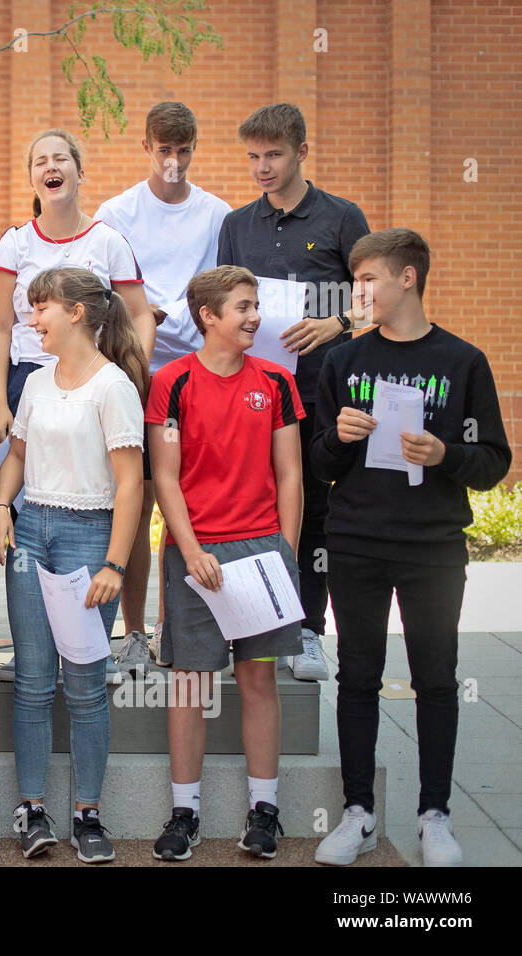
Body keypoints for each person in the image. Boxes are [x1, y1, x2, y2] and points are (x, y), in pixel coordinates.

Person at [311, 229, 511, 867]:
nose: (359, 291)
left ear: (407, 278)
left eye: (369, 279)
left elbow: (494, 463)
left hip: (432, 544)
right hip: (356, 539)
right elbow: (318, 466)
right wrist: (339, 437)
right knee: (358, 677)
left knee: (435, 679)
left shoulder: (462, 362)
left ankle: (435, 816)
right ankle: (358, 813)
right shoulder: (344, 362)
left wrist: (445, 453)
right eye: (355, 280)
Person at [146, 266, 305, 862]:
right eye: (242, 306)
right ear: (207, 317)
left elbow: (289, 473)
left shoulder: (279, 382)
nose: (254, 316)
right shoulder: (172, 382)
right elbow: (165, 475)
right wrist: (190, 552)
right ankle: (183, 814)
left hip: (260, 553)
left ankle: (265, 811)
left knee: (259, 679)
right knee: (190, 684)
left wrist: (283, 551)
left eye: (256, 305)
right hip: (195, 554)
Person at [0, 130, 154, 681]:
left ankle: (100, 643)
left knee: (103, 503)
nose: (50, 167)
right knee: (28, 513)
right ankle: (32, 650)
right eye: (40, 161)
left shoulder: (109, 240)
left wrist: (122, 374)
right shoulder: (14, 242)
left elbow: (139, 314)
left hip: (91, 388)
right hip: (29, 384)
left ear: (79, 172)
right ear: (32, 177)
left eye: (61, 159)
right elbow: (2, 325)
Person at [0, 268, 146, 863]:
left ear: (75, 313)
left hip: (89, 539)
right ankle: (32, 809)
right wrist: (4, 507)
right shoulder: (34, 383)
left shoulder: (114, 387)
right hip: (32, 534)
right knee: (31, 681)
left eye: (40, 309)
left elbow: (131, 486)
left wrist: (114, 562)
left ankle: (88, 814)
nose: (31, 321)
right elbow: (19, 455)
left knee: (84, 687)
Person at [217, 102, 371, 683]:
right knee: (243, 503)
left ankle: (307, 629)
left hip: (318, 390)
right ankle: (248, 627)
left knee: (311, 505)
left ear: (302, 152)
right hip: (249, 391)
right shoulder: (237, 225)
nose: (262, 167)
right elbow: (220, 300)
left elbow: (374, 297)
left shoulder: (341, 217)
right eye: (253, 157)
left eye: (273, 155)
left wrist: (337, 323)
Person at [92, 102, 232, 676]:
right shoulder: (117, 212)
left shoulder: (218, 215)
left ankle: (187, 630)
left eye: (184, 150)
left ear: (195, 149)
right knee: (136, 498)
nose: (173, 162)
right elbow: (103, 293)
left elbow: (228, 291)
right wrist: (135, 313)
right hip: (134, 373)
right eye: (163, 149)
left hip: (199, 375)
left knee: (195, 507)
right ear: (146, 147)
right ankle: (133, 634)